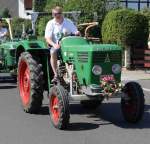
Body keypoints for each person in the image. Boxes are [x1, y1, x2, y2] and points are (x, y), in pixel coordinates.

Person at [45, 6, 80, 82]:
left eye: (58, 14)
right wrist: (54, 45)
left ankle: (77, 73)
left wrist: (77, 33)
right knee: (53, 51)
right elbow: (47, 39)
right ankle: (56, 75)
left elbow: (75, 31)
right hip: (57, 46)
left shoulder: (68, 22)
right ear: (52, 15)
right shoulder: (50, 24)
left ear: (61, 14)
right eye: (54, 14)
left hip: (68, 45)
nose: (56, 15)